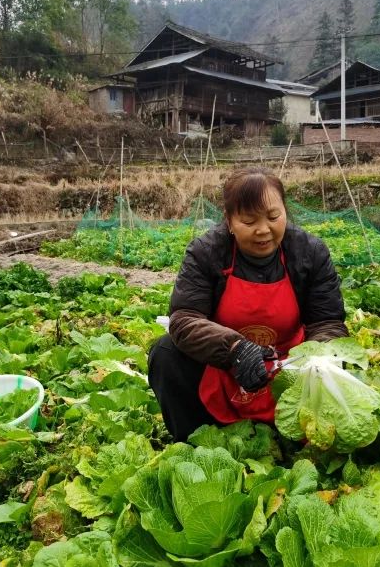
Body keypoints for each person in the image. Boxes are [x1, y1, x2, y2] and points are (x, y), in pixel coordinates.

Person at [148, 167, 348, 442]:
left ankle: (301, 435)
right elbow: (184, 319)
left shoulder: (309, 252)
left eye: (273, 217)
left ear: (285, 212)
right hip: (226, 365)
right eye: (249, 220)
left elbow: (328, 322)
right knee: (165, 352)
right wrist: (235, 349)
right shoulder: (207, 252)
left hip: (289, 368)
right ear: (229, 222)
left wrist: (314, 361)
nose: (263, 230)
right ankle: (196, 440)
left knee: (338, 360)